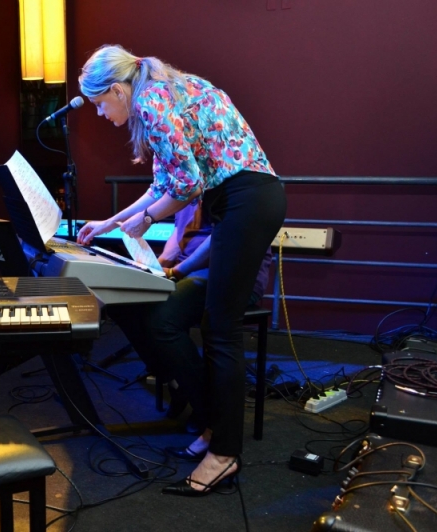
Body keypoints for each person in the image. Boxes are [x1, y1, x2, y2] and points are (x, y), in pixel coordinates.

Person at [77, 45, 286, 496]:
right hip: (244, 199)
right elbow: (164, 182)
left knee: (221, 327)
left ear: (117, 89)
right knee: (201, 322)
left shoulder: (151, 101)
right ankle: (213, 426)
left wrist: (149, 219)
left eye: (99, 103)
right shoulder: (166, 90)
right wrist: (111, 221)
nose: (99, 113)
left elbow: (187, 185)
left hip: (246, 200)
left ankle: (224, 452)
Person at [108, 197, 273, 438]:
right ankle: (176, 380)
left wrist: (176, 271)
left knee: (162, 320)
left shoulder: (220, 178)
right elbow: (179, 233)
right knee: (121, 302)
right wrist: (155, 266)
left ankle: (206, 409)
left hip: (229, 274)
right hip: (190, 269)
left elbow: (220, 239)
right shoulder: (183, 183)